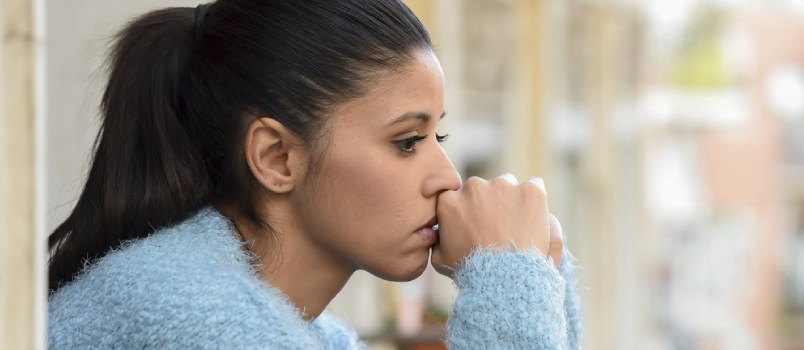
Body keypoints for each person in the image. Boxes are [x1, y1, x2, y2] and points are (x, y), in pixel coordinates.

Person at [46, 0, 582, 348]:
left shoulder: (299, 332)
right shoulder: (185, 315)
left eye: (437, 137)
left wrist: (538, 271)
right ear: (277, 158)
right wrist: (509, 276)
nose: (446, 177)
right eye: (407, 142)